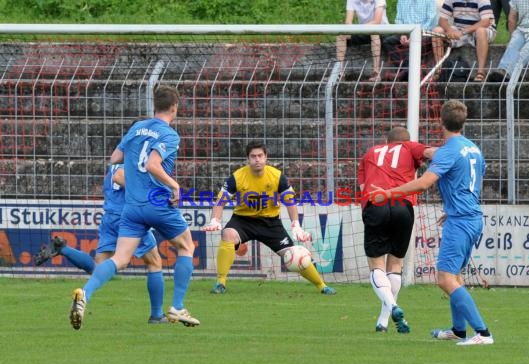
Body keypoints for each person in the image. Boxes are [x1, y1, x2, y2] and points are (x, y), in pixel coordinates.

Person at [68, 85, 200, 330]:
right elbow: (152, 164)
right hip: (156, 202)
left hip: (132, 207)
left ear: (154, 105)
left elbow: (115, 158)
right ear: (174, 107)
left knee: (119, 259)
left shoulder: (136, 128)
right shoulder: (169, 134)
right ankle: (177, 306)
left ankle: (85, 293)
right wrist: (174, 185)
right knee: (186, 245)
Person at [373, 100, 494, 345]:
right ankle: (458, 330)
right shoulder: (473, 149)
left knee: (445, 279)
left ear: (441, 122)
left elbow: (423, 183)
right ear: (464, 121)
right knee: (455, 276)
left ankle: (482, 332)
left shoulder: (449, 150)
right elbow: (473, 182)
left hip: (461, 221)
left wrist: (388, 193)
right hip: (469, 216)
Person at [35, 164, 168, 324]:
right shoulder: (129, 166)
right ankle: (157, 315)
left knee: (99, 268)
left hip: (110, 219)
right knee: (154, 261)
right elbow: (120, 177)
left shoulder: (113, 166)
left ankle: (63, 249)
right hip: (129, 219)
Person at [202, 140, 336, 296]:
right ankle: (220, 283)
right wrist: (215, 220)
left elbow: (290, 202)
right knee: (227, 234)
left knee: (294, 254)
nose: (257, 159)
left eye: (260, 156)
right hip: (243, 220)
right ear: (248, 159)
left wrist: (296, 225)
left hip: (270, 223)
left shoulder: (277, 176)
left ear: (266, 157)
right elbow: (220, 201)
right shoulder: (237, 177)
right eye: (253, 156)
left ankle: (322, 286)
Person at [357, 127, 436, 333]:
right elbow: (432, 153)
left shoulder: (370, 153)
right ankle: (383, 322)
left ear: (387, 141)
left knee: (376, 266)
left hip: (377, 203)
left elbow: (363, 186)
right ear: (407, 141)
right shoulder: (410, 147)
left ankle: (392, 307)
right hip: (403, 205)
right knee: (396, 264)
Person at [432, 0, 496, 82]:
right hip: (459, 29)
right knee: (437, 31)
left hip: (483, 29)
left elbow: (486, 22)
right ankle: (439, 69)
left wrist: (463, 32)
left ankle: (481, 72)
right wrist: (450, 31)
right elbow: (442, 20)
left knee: (480, 31)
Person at [382, 0, 438, 80]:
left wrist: (415, 35)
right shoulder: (401, 1)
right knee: (387, 42)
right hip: (407, 33)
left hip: (424, 33)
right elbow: (399, 20)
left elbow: (431, 21)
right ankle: (405, 69)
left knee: (415, 44)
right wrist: (402, 33)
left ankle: (404, 73)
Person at [336, 0, 389, 81]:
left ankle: (376, 73)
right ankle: (340, 72)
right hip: (363, 31)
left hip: (382, 32)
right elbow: (348, 22)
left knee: (373, 32)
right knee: (341, 35)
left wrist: (359, 28)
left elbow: (377, 22)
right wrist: (351, 30)